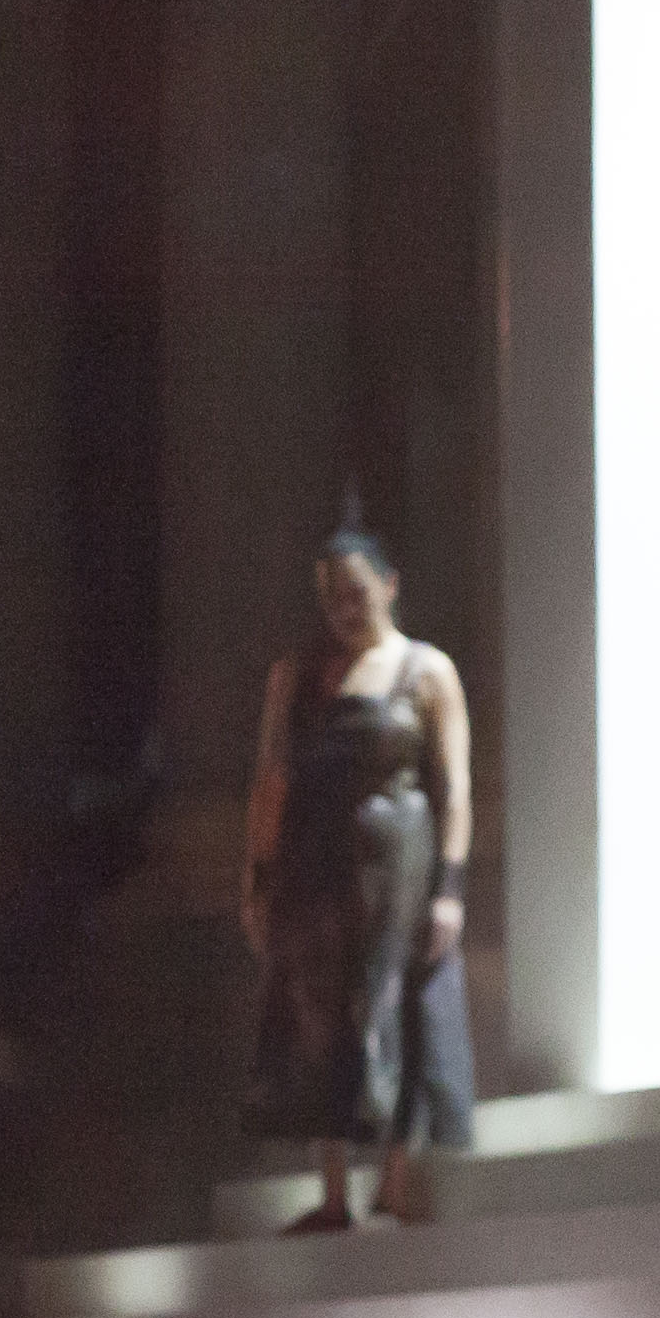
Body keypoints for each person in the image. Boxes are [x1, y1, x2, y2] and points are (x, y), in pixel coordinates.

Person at [239, 525, 476, 1232]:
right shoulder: (297, 677)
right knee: (318, 1015)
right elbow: (271, 781)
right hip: (316, 866)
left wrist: (449, 888)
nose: (344, 608)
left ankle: (394, 1180)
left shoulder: (426, 671)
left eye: (357, 592)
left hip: (398, 866)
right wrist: (256, 879)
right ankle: (335, 1193)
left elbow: (455, 786)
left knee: (395, 1004)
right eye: (332, 597)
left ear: (389, 586)